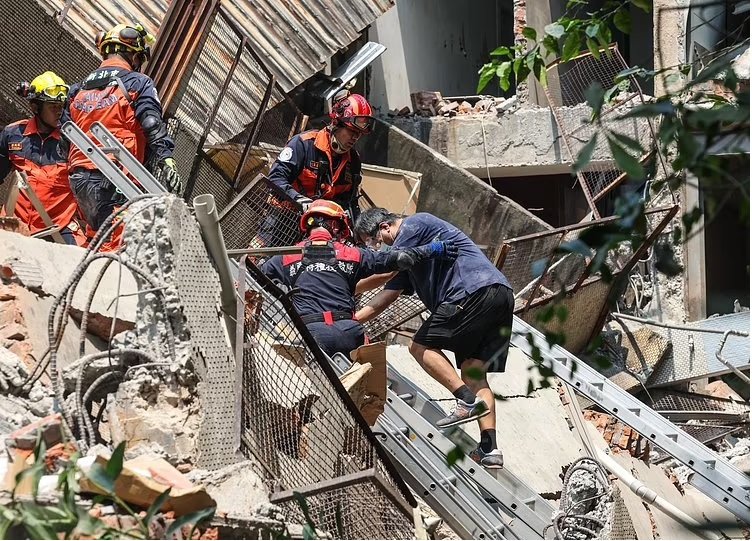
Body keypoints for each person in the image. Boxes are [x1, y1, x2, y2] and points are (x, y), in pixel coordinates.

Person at [353, 208, 514, 469]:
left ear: (385, 227)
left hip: (469, 291)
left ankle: (465, 400)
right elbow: (385, 297)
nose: (376, 248)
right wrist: (351, 321)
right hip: (499, 296)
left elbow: (385, 271)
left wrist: (345, 282)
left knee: (419, 346)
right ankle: (490, 448)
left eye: (373, 241)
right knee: (473, 372)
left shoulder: (414, 224)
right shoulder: (409, 259)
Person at [260, 200, 457, 357]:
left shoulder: (285, 256)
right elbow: (399, 259)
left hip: (311, 333)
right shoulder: (352, 254)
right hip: (351, 332)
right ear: (335, 226)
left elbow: (255, 277)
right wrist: (433, 249)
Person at [64, 22, 181, 249]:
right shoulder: (137, 82)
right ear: (133, 54)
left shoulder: (78, 89)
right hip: (115, 176)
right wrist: (166, 158)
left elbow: (64, 137)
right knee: (117, 244)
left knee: (96, 236)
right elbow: (151, 122)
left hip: (79, 176)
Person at [0, 72, 86, 246]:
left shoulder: (72, 142)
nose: (58, 111)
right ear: (35, 107)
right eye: (52, 106)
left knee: (80, 258)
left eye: (61, 106)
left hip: (57, 228)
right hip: (14, 223)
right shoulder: (13, 134)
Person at [267, 93, 374, 222]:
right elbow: (275, 178)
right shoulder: (303, 144)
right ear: (336, 123)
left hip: (321, 224)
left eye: (359, 134)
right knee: (266, 235)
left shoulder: (353, 161)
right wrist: (298, 200)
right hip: (283, 218)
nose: (355, 137)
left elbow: (349, 201)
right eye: (352, 131)